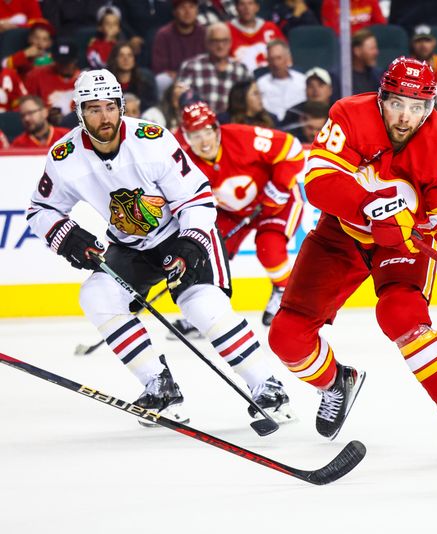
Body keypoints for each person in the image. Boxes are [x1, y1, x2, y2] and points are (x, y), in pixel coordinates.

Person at [26, 69, 293, 427]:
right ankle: (159, 386)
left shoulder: (152, 140)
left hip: (180, 233)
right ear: (78, 111)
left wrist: (190, 242)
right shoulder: (64, 157)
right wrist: (65, 235)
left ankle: (267, 386)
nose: (104, 117)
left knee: (200, 305)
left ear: (121, 105)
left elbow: (196, 198)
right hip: (129, 245)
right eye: (93, 109)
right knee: (97, 295)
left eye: (110, 107)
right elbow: (40, 209)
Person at [267, 57, 437, 462]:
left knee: (402, 315)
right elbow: (319, 181)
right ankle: (336, 384)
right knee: (285, 336)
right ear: (381, 98)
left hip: (403, 246)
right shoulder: (349, 114)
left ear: (430, 107)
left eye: (417, 107)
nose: (405, 116)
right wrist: (368, 207)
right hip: (339, 234)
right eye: (397, 103)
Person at [175, 101, 305, 330]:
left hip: (275, 202)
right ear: (186, 136)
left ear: (216, 128)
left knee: (270, 248)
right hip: (232, 211)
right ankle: (204, 311)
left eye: (207, 132)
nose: (203, 142)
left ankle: (285, 294)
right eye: (195, 135)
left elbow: (292, 148)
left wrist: (280, 186)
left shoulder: (242, 137)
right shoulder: (182, 159)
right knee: (206, 254)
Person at [177, 22, 252, 113]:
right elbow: (180, 99)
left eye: (224, 41)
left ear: (230, 42)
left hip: (232, 124)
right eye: (216, 41)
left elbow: (249, 105)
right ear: (207, 43)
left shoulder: (241, 70)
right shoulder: (191, 67)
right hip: (200, 122)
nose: (220, 46)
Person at [151, 0, 207, 96]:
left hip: (200, 77)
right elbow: (159, 68)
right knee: (162, 80)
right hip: (174, 80)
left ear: (197, 10)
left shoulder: (204, 33)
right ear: (174, 11)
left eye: (191, 7)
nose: (187, 11)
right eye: (182, 7)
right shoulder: (164, 34)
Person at [24, 38, 82, 126]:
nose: (63, 65)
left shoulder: (84, 80)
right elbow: (27, 105)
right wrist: (46, 115)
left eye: (67, 62)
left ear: (75, 60)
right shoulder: (37, 75)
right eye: (60, 61)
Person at [228, 0, 286, 74]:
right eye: (242, 4)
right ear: (236, 8)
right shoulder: (227, 30)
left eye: (250, 3)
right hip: (242, 78)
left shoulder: (270, 28)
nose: (246, 8)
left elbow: (285, 56)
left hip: (272, 77)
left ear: (257, 7)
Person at [254, 39, 304, 122]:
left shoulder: (302, 80)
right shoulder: (260, 84)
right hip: (270, 126)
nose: (275, 63)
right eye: (271, 59)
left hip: (297, 126)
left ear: (288, 58)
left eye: (279, 58)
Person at [107, 42, 158, 111]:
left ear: (134, 59)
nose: (126, 59)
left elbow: (151, 106)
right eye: (121, 56)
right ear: (115, 59)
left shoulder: (144, 81)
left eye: (129, 55)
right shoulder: (107, 83)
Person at [321, 0, 386, 36]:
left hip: (366, 41)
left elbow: (381, 26)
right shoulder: (330, 2)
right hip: (342, 44)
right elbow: (331, 31)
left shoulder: (371, 1)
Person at [351, 28, 381, 95]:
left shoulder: (378, 76)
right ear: (357, 51)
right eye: (372, 48)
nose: (376, 52)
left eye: (375, 48)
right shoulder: (341, 77)